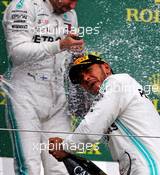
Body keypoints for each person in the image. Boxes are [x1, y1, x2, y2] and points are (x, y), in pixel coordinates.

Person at [49, 54, 160, 175]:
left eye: (88, 70)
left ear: (106, 68)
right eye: (80, 79)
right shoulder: (117, 94)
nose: (86, 78)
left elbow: (89, 131)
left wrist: (64, 146)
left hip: (151, 170)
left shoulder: (117, 82)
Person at [2, 0, 84, 174]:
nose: (73, 6)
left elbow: (69, 55)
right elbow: (17, 52)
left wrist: (76, 54)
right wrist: (60, 45)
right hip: (25, 94)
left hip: (58, 97)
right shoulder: (23, 6)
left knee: (60, 166)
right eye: (70, 0)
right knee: (29, 167)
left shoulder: (70, 15)